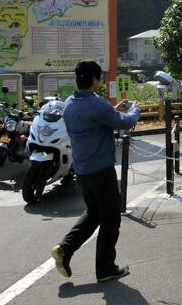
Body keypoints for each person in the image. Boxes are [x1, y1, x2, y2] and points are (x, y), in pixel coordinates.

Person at [51, 60, 141, 282]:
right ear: (94, 79)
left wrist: (112, 110)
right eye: (98, 77)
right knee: (111, 219)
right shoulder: (96, 104)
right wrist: (134, 110)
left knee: (94, 213)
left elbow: (92, 118)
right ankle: (105, 269)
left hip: (82, 170)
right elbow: (124, 123)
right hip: (101, 170)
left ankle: (64, 249)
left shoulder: (70, 103)